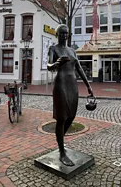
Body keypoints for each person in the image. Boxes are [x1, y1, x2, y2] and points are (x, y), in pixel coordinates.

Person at [47, 24, 94, 166]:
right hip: (60, 84)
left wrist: (88, 86)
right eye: (61, 33)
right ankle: (62, 152)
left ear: (68, 34)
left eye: (66, 33)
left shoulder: (72, 50)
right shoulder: (53, 49)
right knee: (61, 118)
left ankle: (60, 139)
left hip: (72, 85)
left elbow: (79, 68)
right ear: (57, 34)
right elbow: (48, 65)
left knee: (71, 116)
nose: (64, 35)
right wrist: (56, 63)